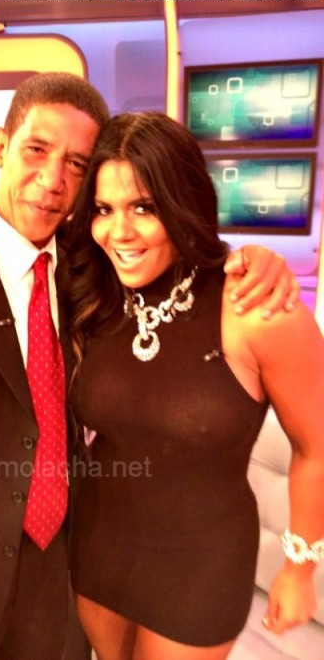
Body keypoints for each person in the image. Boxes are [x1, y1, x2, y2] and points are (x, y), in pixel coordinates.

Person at [0, 72, 299, 660]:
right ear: (0, 146)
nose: (53, 180)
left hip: (70, 573)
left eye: (77, 164)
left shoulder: (95, 267)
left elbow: (177, 250)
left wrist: (255, 259)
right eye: (37, 149)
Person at [66, 111, 324, 660]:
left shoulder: (256, 307)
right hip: (98, 548)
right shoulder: (93, 293)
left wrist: (300, 567)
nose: (119, 232)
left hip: (200, 567)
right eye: (104, 210)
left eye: (144, 207)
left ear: (183, 203)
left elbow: (317, 448)